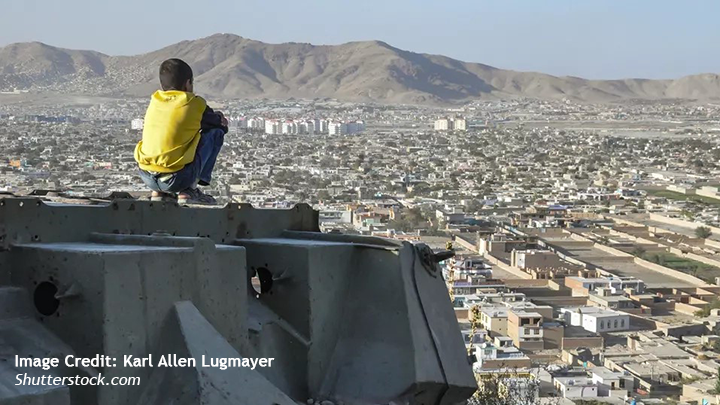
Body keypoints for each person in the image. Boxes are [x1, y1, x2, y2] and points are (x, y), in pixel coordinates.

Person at [134, 58, 228, 204]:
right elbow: (219, 124)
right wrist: (220, 119)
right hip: (177, 179)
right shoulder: (193, 102)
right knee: (216, 133)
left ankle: (158, 193)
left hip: (146, 175)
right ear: (188, 83)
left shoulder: (155, 101)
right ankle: (189, 191)